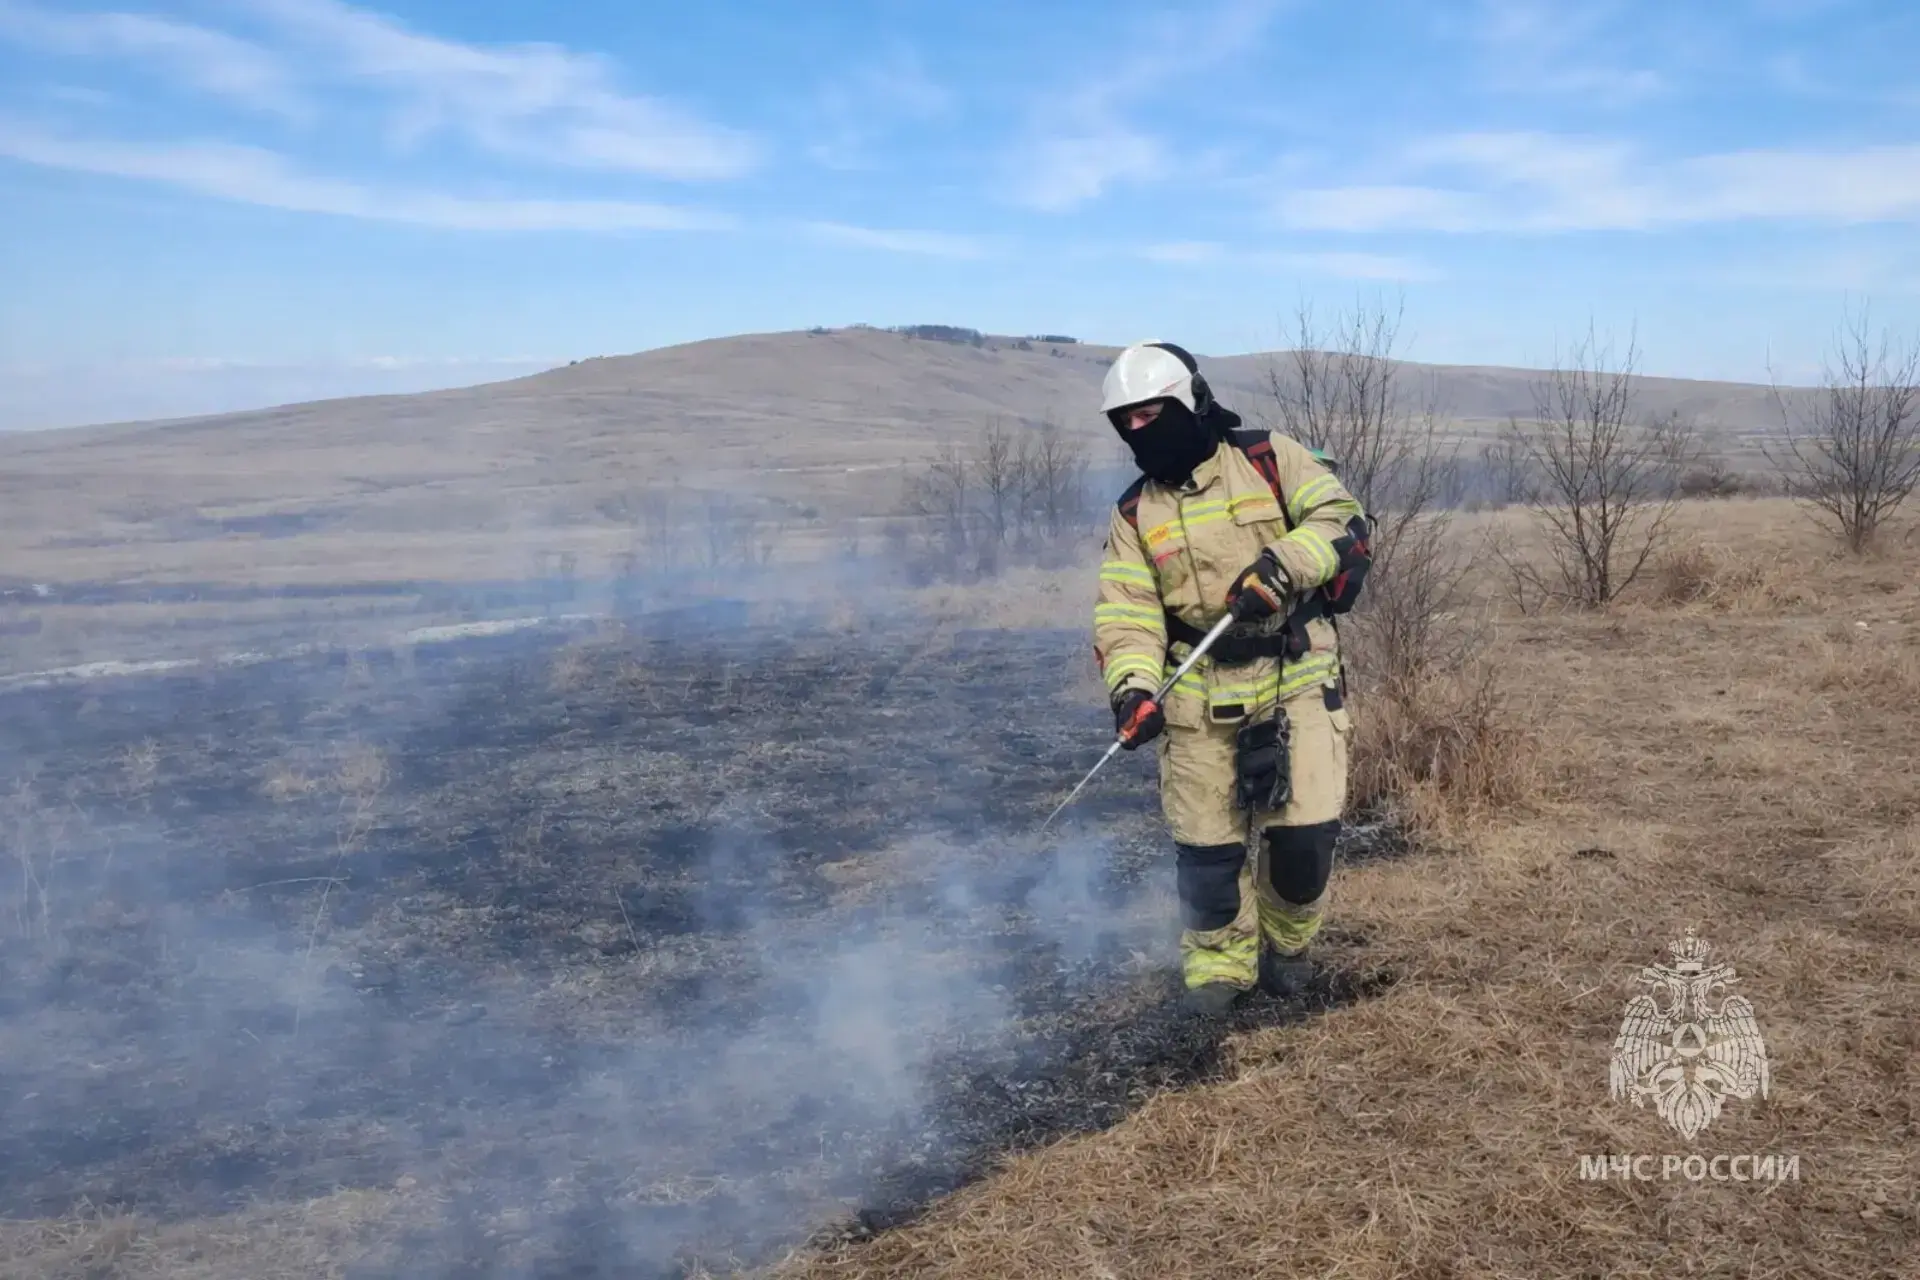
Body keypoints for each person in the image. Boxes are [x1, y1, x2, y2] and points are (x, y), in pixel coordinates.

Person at [1090, 340, 1370, 1015]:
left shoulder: (1269, 459)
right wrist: (1133, 689)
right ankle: (1220, 968)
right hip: (1196, 699)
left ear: (1190, 402)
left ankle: (1288, 949)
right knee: (1207, 858)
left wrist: (1282, 565)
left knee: (1302, 844)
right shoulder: (1134, 513)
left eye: (1150, 414)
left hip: (1295, 676)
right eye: (1126, 421)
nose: (1139, 430)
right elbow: (1127, 614)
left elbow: (1342, 520)